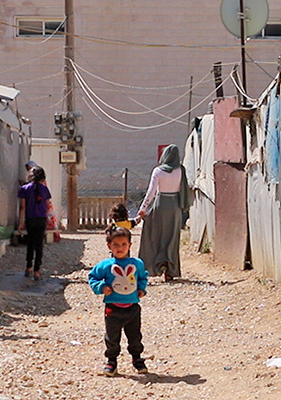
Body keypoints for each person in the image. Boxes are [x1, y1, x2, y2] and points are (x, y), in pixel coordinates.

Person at [88, 227, 149, 376]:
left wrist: (141, 288)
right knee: (112, 337)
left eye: (123, 244)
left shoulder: (137, 264)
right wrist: (101, 287)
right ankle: (111, 362)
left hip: (132, 308)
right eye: (116, 245)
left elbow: (143, 277)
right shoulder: (106, 265)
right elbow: (92, 277)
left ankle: (137, 359)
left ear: (130, 245)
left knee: (135, 336)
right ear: (109, 246)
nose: (120, 248)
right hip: (113, 308)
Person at [137, 144, 190, 281]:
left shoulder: (158, 171)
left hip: (161, 206)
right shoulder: (181, 170)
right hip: (175, 207)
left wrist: (143, 209)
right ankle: (170, 270)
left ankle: (155, 266)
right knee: (172, 238)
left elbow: (151, 192)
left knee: (157, 236)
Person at [18, 166, 52, 281]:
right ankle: (37, 270)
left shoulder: (24, 189)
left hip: (30, 219)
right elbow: (48, 206)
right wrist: (45, 216)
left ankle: (28, 267)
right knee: (39, 245)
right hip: (41, 219)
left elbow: (23, 207)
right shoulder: (45, 189)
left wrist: (20, 222)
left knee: (30, 243)